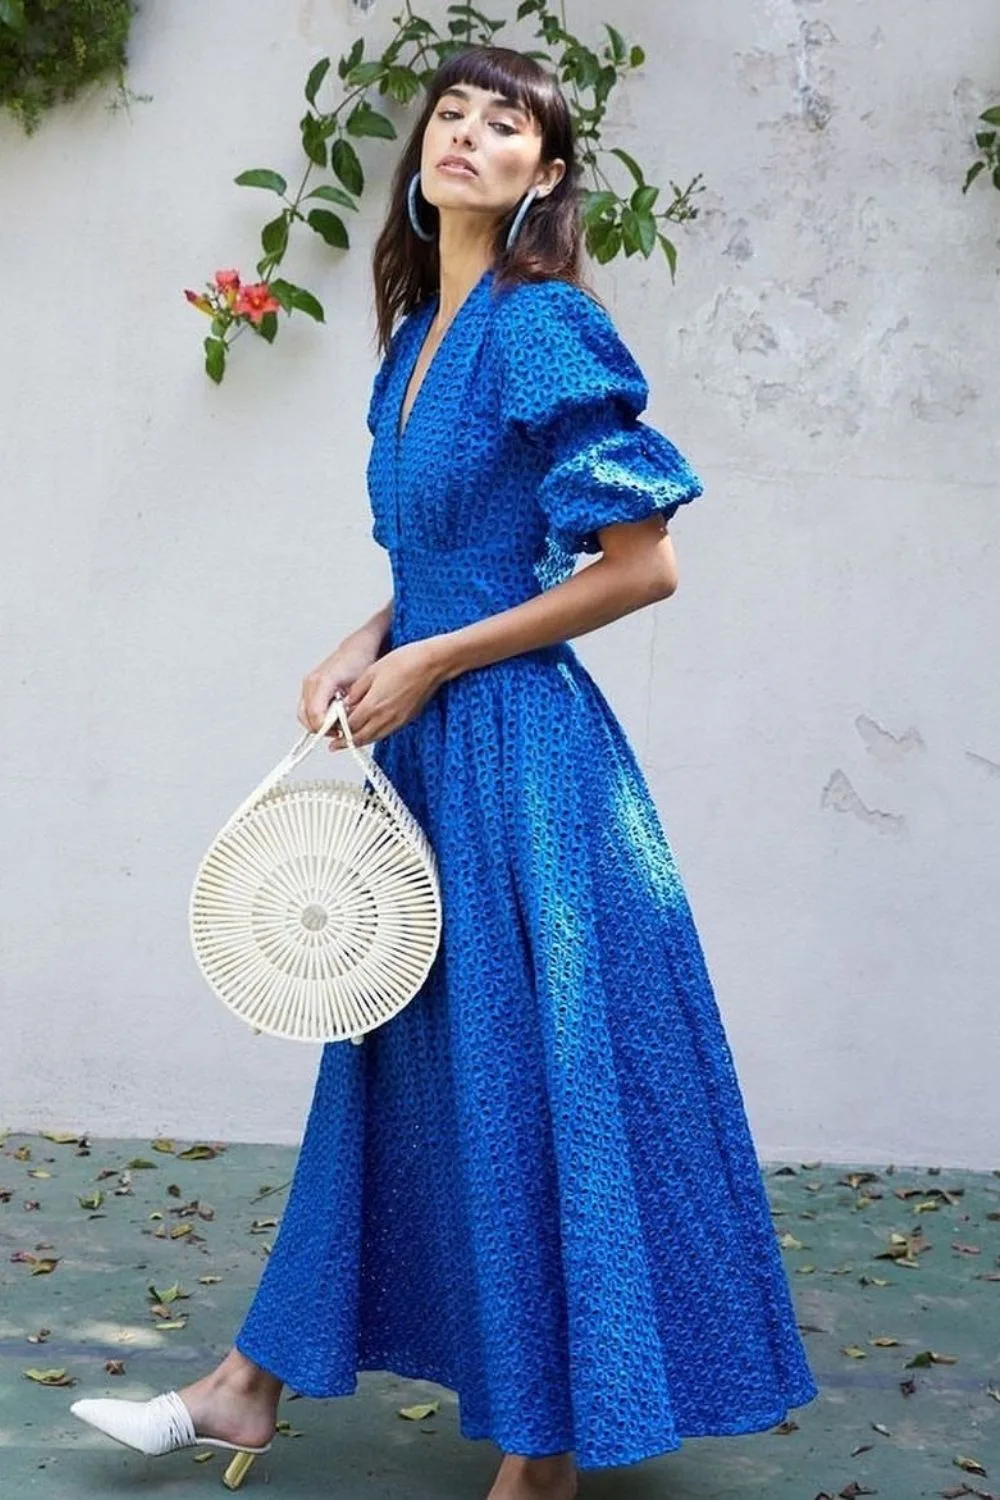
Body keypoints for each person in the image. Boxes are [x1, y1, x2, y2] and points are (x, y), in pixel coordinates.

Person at [71, 42, 819, 1499]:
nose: (468, 135)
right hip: (430, 745)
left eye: (507, 124)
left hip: (526, 766)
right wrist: (370, 641)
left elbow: (642, 567)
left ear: (544, 175)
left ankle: (537, 1459)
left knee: (531, 1080)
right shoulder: (418, 339)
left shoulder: (542, 326)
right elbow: (440, 562)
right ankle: (246, 1385)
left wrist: (433, 660)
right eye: (453, 115)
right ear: (423, 156)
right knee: (396, 1064)